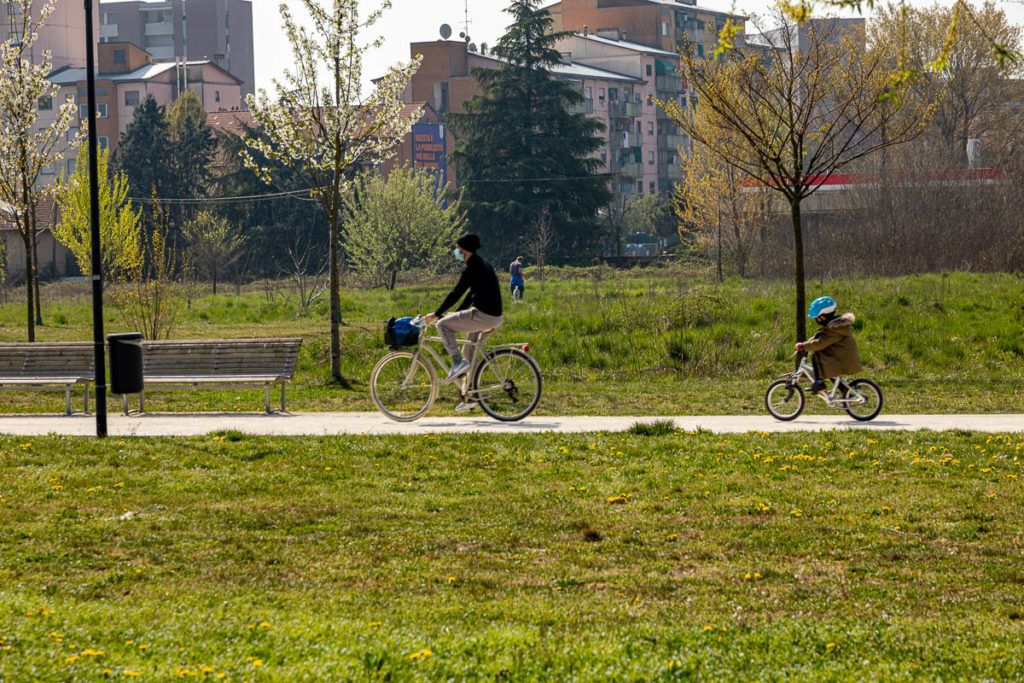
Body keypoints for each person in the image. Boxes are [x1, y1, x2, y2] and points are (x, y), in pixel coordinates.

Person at [424, 233, 503, 392]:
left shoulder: (471, 269)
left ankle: (457, 362)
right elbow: (470, 294)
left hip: (483, 316)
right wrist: (457, 313)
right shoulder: (483, 264)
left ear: (465, 250)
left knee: (442, 325)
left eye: (457, 249)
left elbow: (456, 293)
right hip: (495, 317)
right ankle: (471, 394)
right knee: (469, 351)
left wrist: (437, 314)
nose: (456, 252)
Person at [794, 296, 862, 394]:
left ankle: (819, 383)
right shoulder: (834, 327)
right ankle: (845, 391)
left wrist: (804, 346)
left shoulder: (834, 330)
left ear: (822, 317)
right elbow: (819, 337)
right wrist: (805, 344)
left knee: (816, 355)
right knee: (829, 367)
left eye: (816, 317)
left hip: (843, 359)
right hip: (842, 357)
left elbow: (820, 343)